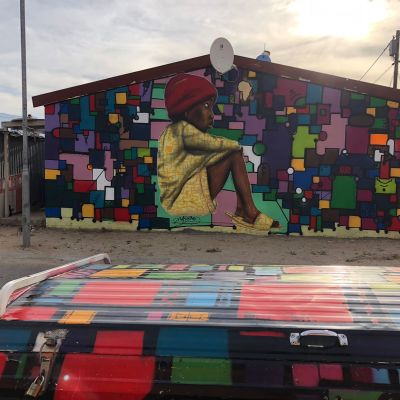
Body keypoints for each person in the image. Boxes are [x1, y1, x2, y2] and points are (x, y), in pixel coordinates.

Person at [157, 73, 279, 231]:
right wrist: (237, 146)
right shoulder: (182, 129)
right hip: (182, 201)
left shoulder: (171, 132)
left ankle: (243, 209)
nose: (212, 115)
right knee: (233, 153)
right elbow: (215, 144)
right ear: (187, 110)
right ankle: (248, 211)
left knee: (229, 154)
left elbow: (208, 155)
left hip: (176, 199)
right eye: (206, 106)